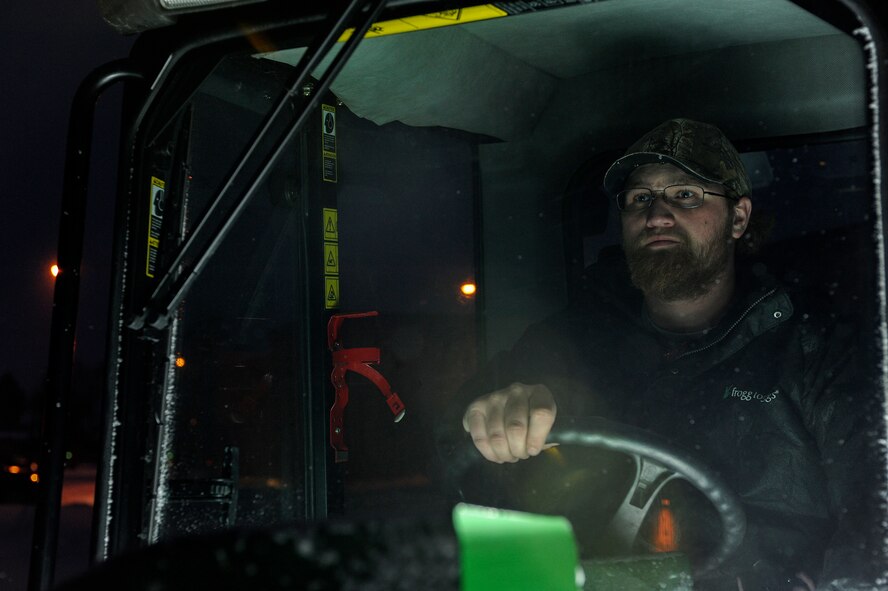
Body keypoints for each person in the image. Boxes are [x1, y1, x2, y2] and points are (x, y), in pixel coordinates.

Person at [454, 119, 885, 590]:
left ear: (738, 219)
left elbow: (873, 510)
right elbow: (454, 439)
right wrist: (492, 414)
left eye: (685, 196)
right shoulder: (577, 333)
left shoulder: (814, 348)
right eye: (640, 199)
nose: (656, 215)